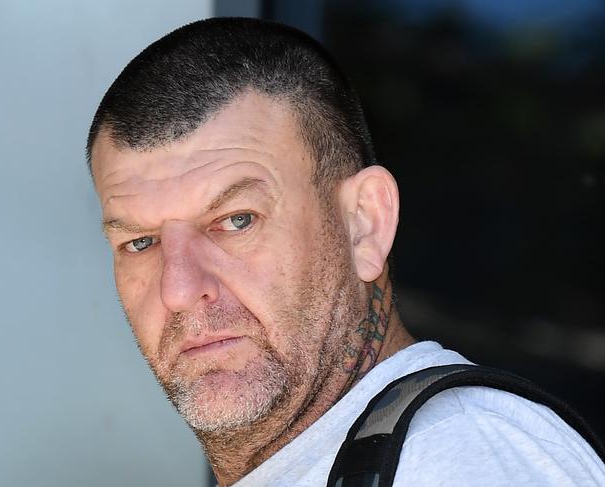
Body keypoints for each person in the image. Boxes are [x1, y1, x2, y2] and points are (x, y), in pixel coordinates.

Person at [86, 17, 605, 487]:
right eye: (140, 242)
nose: (177, 289)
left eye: (237, 220)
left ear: (365, 225)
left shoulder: (457, 457)